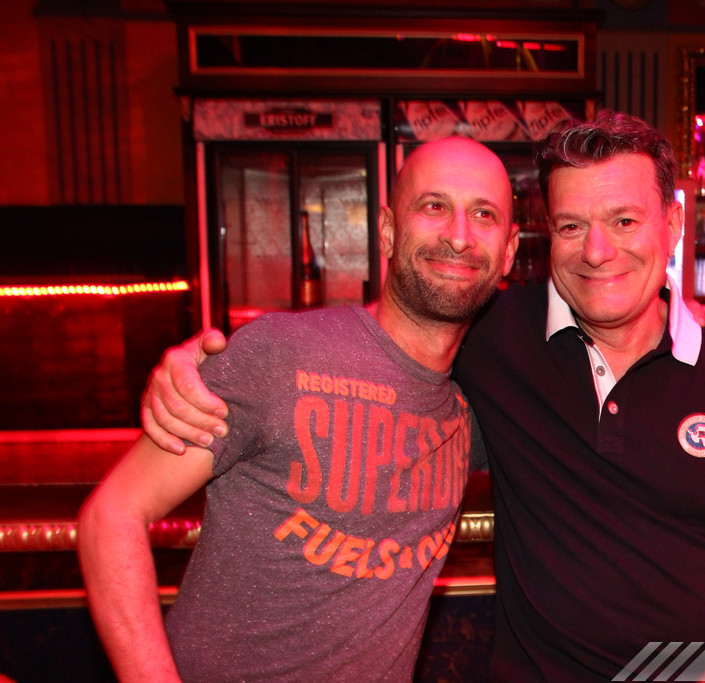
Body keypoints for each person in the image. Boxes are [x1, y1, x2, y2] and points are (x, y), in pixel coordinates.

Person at [142, 112, 705, 679]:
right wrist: (194, 364)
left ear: (672, 225)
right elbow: (383, 341)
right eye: (572, 225)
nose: (597, 251)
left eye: (624, 221)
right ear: (540, 240)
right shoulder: (491, 335)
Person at [77, 135, 520, 681]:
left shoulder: (474, 404)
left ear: (509, 250)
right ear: (387, 230)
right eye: (434, 206)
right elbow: (111, 517)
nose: (458, 235)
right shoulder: (279, 353)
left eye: (483, 214)